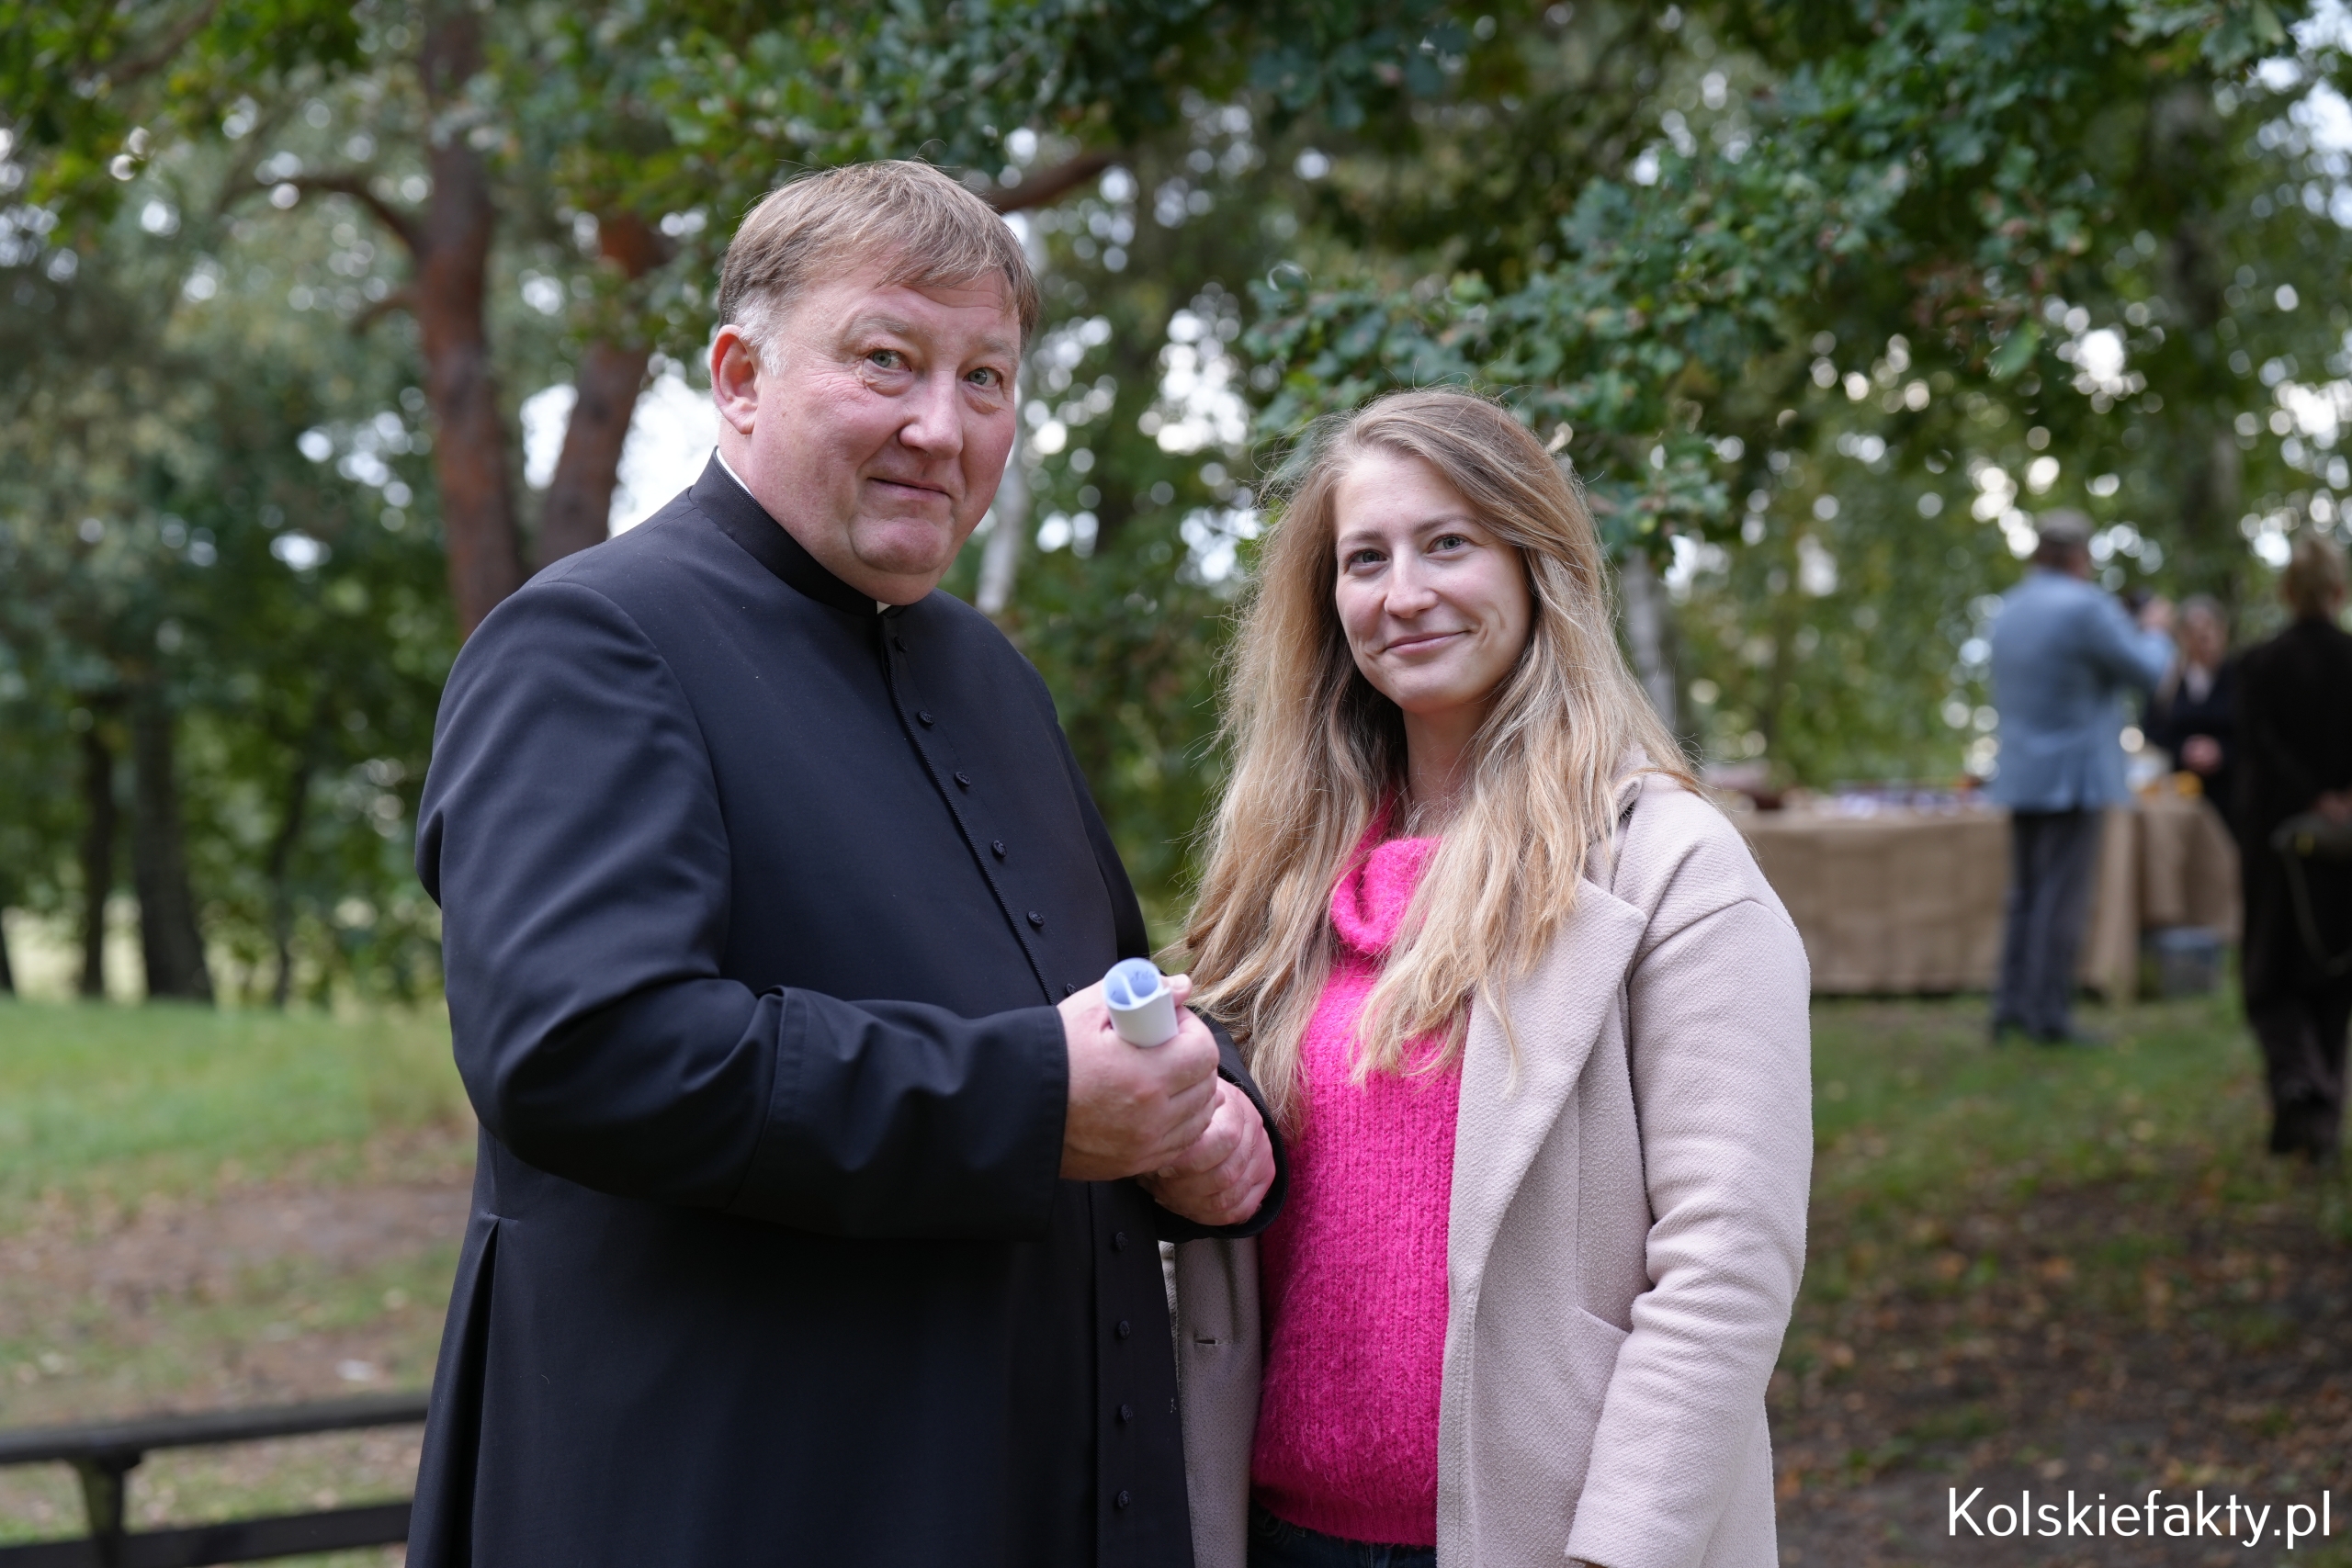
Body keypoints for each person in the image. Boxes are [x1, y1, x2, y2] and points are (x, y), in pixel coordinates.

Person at [408, 161, 1283, 1567]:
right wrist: (1035, 1101)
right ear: (740, 377)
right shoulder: (589, 642)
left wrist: (1205, 1106)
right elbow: (583, 1047)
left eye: (986, 378)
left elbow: (1112, 990)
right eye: (888, 360)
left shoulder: (991, 674)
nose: (942, 426)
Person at [1168, 390, 1814, 1568]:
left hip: (1547, 1543)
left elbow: (1727, 1260)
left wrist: (1616, 1554)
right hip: (1275, 1535)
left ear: (1533, 563)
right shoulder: (1278, 880)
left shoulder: (1668, 868)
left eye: (1447, 543)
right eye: (1366, 559)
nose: (1403, 593)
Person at [1985, 510, 2174, 1044]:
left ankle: (2010, 1006)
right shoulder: (2086, 607)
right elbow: (2151, 672)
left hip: (2021, 774)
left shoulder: (2008, 608)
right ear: (2078, 556)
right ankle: (2048, 1015)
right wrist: (2155, 631)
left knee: (2025, 895)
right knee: (2060, 899)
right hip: (2074, 777)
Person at [2236, 534, 2352, 1162]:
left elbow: (2260, 751)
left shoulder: (2258, 666)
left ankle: (2296, 1085)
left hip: (2277, 845)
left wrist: (2308, 797)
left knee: (2272, 974)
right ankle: (2318, 1114)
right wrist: (2337, 799)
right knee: (2333, 975)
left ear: (2285, 591)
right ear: (2340, 591)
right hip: (2341, 845)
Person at [2142, 593, 2240, 832]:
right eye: (2194, 630)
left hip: (2231, 797)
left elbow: (2255, 732)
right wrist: (2183, 748)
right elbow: (2152, 728)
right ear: (2183, 636)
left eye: (2209, 627)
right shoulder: (2169, 682)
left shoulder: (2239, 678)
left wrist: (2222, 751)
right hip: (2180, 797)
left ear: (2222, 631)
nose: (2203, 636)